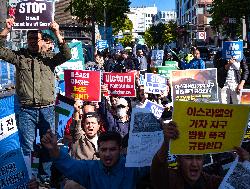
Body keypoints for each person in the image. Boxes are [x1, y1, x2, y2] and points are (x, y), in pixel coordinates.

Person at [0, 18, 71, 174]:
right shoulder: (19, 57)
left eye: (36, 38)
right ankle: (31, 177)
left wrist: (57, 33)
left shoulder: (50, 58)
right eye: (30, 38)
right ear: (27, 40)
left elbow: (67, 54)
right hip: (26, 111)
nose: (33, 41)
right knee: (28, 147)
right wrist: (6, 29)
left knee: (49, 145)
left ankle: (46, 177)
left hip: (47, 110)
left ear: (41, 41)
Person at [41, 131, 149, 189]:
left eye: (112, 149)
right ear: (98, 151)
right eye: (103, 150)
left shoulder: (132, 167)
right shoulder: (90, 168)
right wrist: (53, 149)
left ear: (120, 150)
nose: (107, 154)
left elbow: (156, 166)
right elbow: (68, 165)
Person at [151, 121, 222, 189]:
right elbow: (158, 168)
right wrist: (166, 143)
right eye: (188, 158)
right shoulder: (170, 180)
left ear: (203, 160)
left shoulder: (211, 182)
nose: (194, 164)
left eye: (198, 158)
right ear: (179, 160)